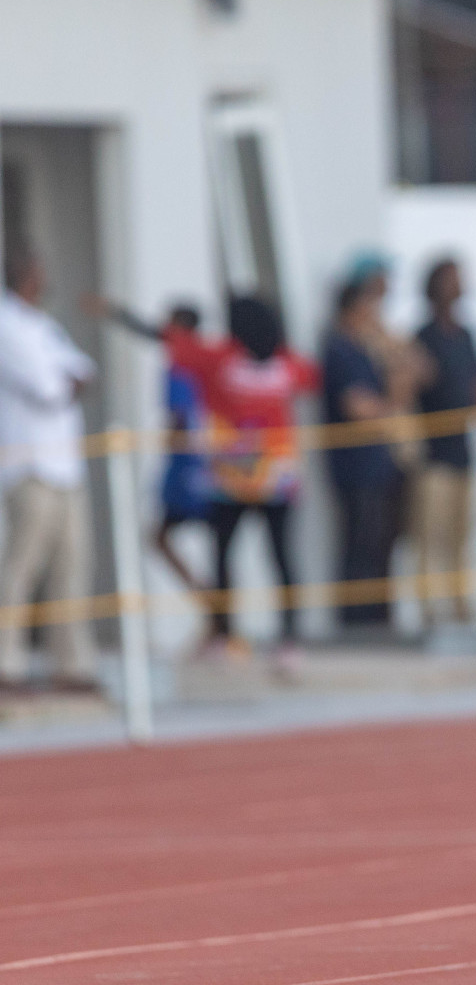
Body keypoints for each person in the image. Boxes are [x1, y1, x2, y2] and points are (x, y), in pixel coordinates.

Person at [163, 295, 317, 666]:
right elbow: (312, 378)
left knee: (227, 557)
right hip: (272, 474)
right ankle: (287, 638)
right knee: (279, 557)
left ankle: (226, 634)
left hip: (233, 475)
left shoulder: (222, 359)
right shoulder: (286, 364)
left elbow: (177, 347)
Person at [0, 247, 100, 694]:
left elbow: (84, 371)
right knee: (21, 568)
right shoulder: (6, 323)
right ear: (24, 276)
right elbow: (48, 387)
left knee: (72, 567)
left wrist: (69, 381)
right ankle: (8, 664)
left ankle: (71, 664)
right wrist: (68, 381)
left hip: (65, 465)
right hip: (29, 464)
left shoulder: (44, 324)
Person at [322, 261, 425, 630]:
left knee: (381, 545)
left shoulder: (365, 347)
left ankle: (379, 620)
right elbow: (359, 407)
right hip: (356, 466)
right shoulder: (341, 349)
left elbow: (417, 369)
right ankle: (358, 623)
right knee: (360, 546)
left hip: (377, 464)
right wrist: (394, 399)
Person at [90, 298, 211, 598]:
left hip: (189, 463)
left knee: (165, 536)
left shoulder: (184, 362)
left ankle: (215, 614)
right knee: (171, 537)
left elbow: (181, 416)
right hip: (196, 459)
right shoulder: (199, 356)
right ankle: (213, 612)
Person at [412, 258, 476, 629]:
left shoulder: (466, 335)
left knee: (461, 536)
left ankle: (461, 608)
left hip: (462, 451)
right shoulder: (422, 336)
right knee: (431, 535)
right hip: (432, 453)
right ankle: (430, 611)